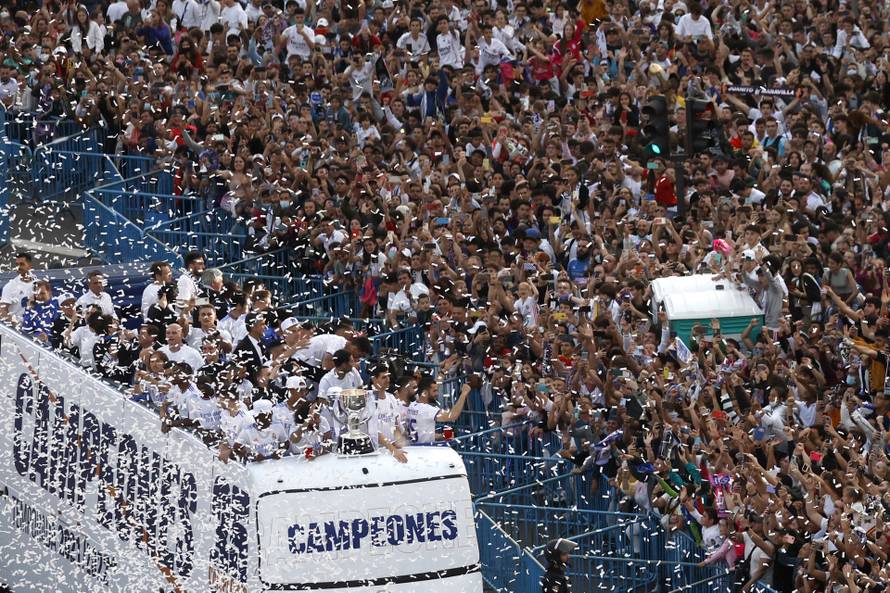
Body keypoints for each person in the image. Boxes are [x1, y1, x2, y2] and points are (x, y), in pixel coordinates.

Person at [406, 377, 471, 444]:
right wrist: (464, 394)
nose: (437, 394)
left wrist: (442, 436)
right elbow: (453, 415)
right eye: (434, 391)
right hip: (425, 449)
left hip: (413, 448)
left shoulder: (412, 406)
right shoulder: (427, 409)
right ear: (424, 393)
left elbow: (420, 433)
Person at [0, 252, 36, 323]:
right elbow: (2, 310)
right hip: (17, 330)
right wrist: (15, 324)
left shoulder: (38, 284)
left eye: (22, 264)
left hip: (35, 328)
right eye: (17, 264)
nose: (18, 267)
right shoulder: (10, 286)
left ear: (30, 266)